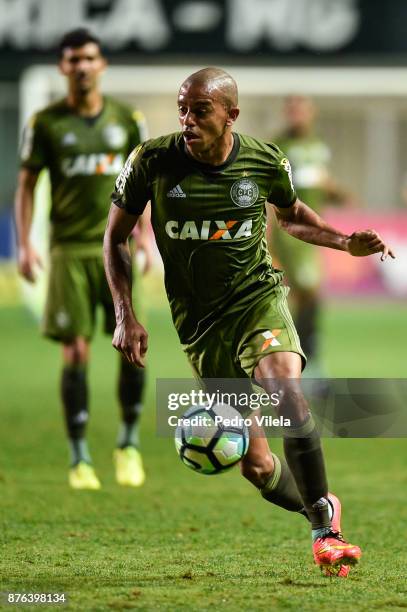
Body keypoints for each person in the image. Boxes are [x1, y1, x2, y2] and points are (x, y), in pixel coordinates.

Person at [103, 68, 394, 575]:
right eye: (182, 109)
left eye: (200, 111)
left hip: (257, 298)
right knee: (257, 466)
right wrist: (125, 314)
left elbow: (293, 214)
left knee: (286, 390)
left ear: (230, 115)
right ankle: (319, 504)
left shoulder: (262, 160)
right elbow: (115, 238)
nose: (187, 120)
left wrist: (345, 242)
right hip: (199, 325)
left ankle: (325, 532)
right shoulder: (152, 160)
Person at [15, 28, 152, 490]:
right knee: (76, 349)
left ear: (102, 64)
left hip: (120, 247)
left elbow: (145, 185)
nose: (82, 66)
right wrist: (24, 243)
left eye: (89, 57)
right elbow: (26, 186)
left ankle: (128, 445)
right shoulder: (45, 123)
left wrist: (148, 238)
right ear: (62, 67)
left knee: (133, 348)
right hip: (70, 249)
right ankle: (80, 457)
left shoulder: (127, 120)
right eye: (73, 59)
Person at [269, 96, 352, 374]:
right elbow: (270, 195)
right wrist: (269, 240)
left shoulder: (316, 145)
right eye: (291, 110)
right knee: (308, 294)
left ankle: (294, 360)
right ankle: (304, 362)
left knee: (306, 297)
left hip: (314, 235)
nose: (297, 115)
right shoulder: (280, 146)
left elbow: (320, 180)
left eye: (301, 110)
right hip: (292, 234)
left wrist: (337, 193)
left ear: (311, 112)